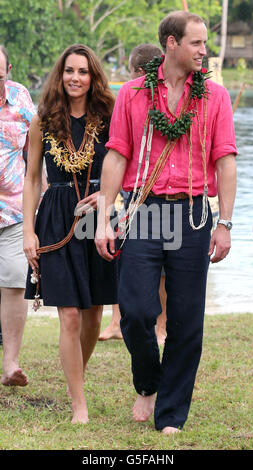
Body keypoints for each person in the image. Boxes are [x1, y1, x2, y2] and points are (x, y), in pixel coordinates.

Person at [95, 11, 237, 434]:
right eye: (196, 43)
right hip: (143, 209)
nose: (203, 50)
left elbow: (225, 161)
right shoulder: (133, 93)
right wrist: (105, 218)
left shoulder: (215, 97)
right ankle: (148, 382)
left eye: (205, 42)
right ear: (171, 44)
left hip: (194, 213)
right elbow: (117, 155)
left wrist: (225, 222)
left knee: (187, 319)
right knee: (135, 310)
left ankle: (171, 415)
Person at [23, 44, 118, 424]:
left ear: (93, 76)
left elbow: (125, 165)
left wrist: (111, 195)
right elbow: (31, 180)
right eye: (69, 71)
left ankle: (75, 376)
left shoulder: (108, 117)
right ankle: (79, 405)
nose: (75, 77)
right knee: (70, 316)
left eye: (83, 71)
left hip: (97, 218)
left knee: (94, 314)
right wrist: (28, 231)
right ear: (60, 76)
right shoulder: (42, 120)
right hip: (56, 218)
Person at [99, 43, 167, 345]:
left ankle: (160, 326)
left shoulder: (164, 102)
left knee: (162, 266)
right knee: (121, 257)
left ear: (140, 72)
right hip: (129, 195)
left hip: (153, 195)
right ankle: (117, 321)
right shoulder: (129, 98)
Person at [0, 45, 35, 387]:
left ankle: (10, 363)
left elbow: (33, 149)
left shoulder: (21, 98)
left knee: (13, 280)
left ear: (8, 69)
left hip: (13, 209)